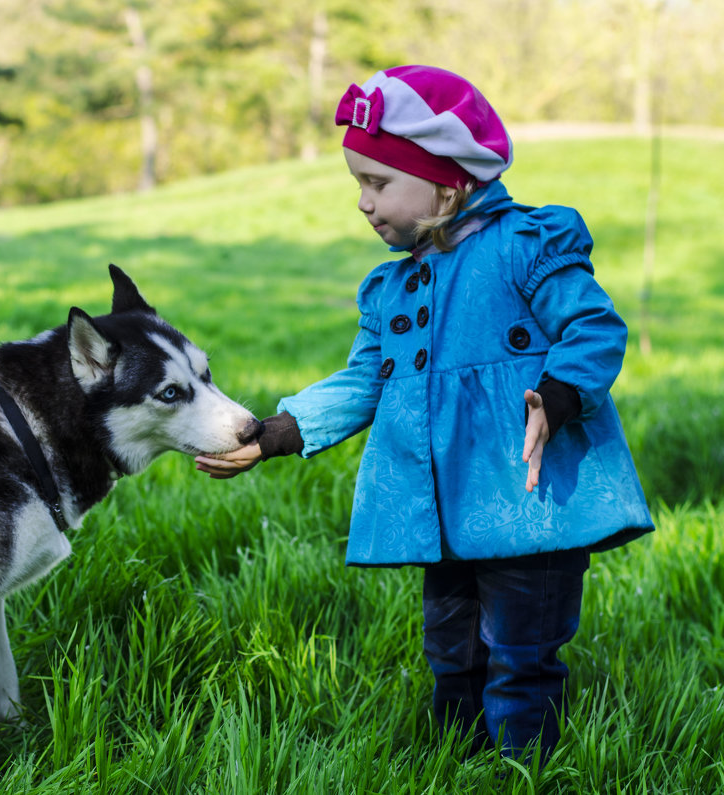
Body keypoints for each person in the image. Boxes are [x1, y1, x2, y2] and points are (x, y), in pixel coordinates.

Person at [195, 65, 654, 766]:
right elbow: (363, 381)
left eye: (378, 182)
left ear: (447, 181)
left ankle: (522, 767)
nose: (363, 202)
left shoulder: (527, 247)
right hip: (445, 513)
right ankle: (453, 763)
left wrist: (558, 395)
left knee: (522, 652)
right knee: (451, 647)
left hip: (529, 504)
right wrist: (278, 432)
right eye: (358, 183)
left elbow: (594, 328)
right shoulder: (391, 288)